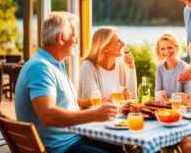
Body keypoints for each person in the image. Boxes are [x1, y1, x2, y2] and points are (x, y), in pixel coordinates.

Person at [15, 12, 123, 153]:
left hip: (75, 137)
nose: (77, 41)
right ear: (60, 38)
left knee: (120, 147)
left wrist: (98, 101)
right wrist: (94, 115)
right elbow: (48, 116)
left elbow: (67, 103)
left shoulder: (54, 65)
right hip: (62, 147)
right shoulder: (40, 67)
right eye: (74, 36)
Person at [80, 26, 137, 100]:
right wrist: (120, 97)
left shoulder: (121, 62)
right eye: (118, 41)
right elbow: (94, 100)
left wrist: (131, 67)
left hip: (118, 111)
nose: (123, 44)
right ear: (105, 48)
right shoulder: (87, 67)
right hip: (97, 111)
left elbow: (132, 97)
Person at [154, 33, 191, 100]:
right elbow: (157, 92)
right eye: (162, 49)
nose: (166, 52)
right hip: (165, 108)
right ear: (159, 51)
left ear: (176, 48)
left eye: (169, 48)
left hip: (182, 108)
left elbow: (189, 97)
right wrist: (159, 95)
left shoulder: (186, 68)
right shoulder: (159, 67)